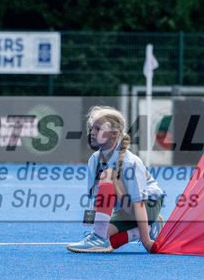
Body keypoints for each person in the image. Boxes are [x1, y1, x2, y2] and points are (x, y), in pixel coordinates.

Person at [67, 105, 166, 253]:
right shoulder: (94, 160)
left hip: (147, 206)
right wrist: (95, 227)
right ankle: (150, 227)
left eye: (98, 129)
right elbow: (96, 199)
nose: (92, 133)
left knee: (108, 174)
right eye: (92, 128)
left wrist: (146, 241)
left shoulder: (130, 162)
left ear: (114, 134)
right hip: (128, 210)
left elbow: (138, 203)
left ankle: (101, 238)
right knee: (107, 237)